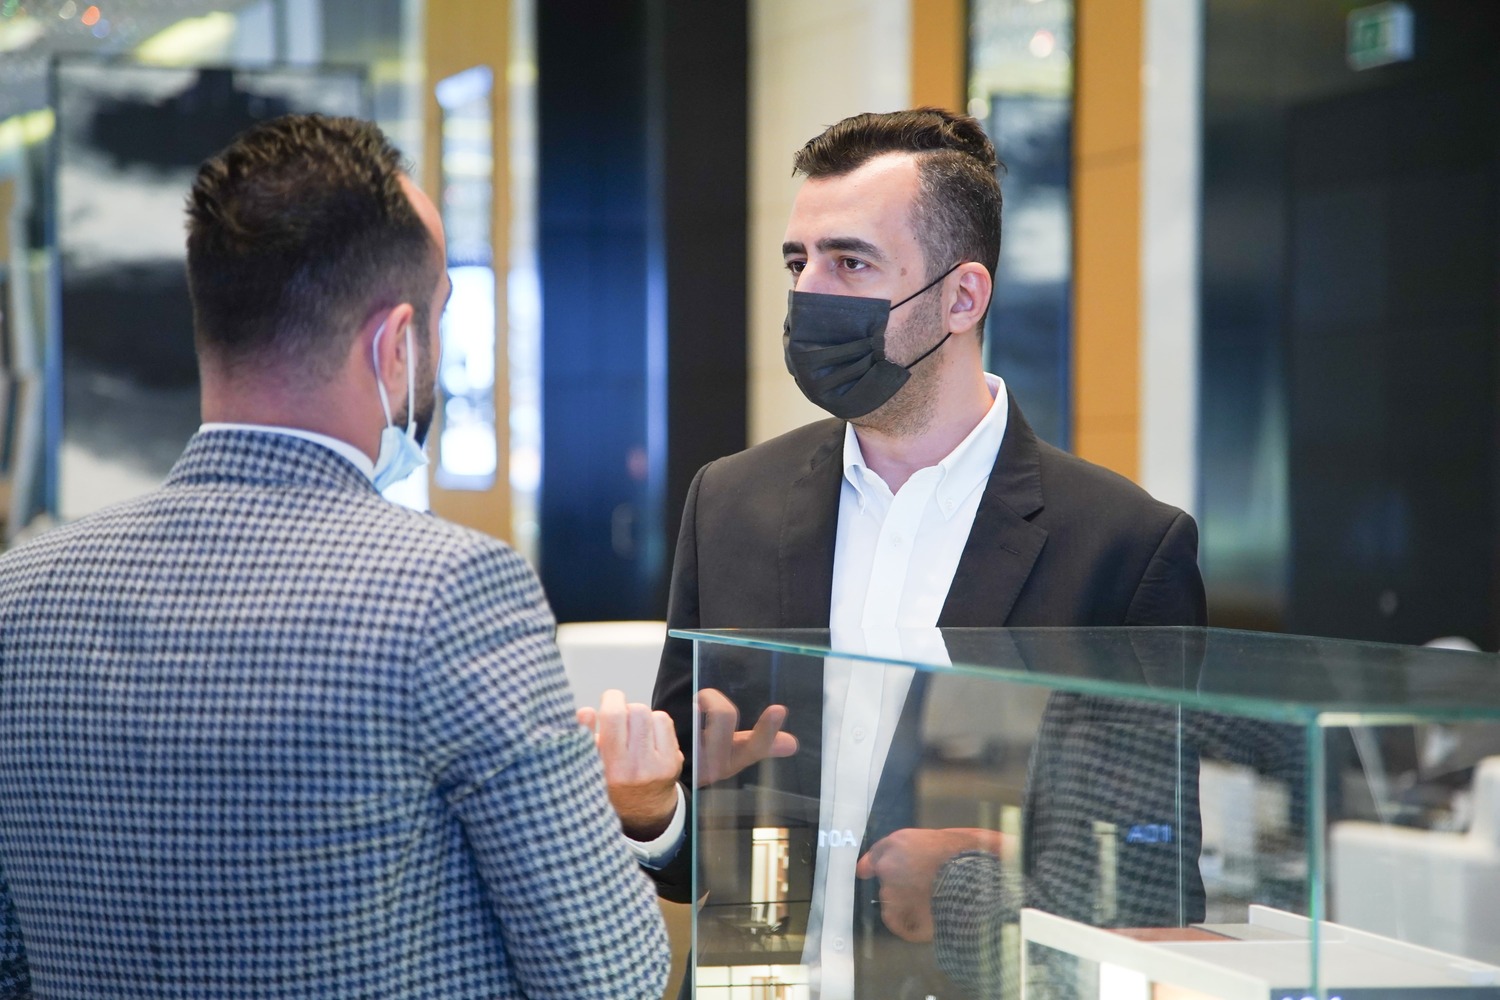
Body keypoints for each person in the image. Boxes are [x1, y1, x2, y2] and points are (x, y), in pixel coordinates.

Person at [0, 114, 667, 1000]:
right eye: (439, 319)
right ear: (395, 344)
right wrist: (616, 813)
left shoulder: (22, 592)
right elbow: (608, 977)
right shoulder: (451, 589)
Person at [588, 107, 1206, 998]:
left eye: (850, 262)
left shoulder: (1122, 548)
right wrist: (653, 811)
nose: (810, 294)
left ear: (963, 297)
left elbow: (1147, 883)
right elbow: (699, 853)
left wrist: (968, 878)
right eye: (798, 263)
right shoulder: (730, 502)